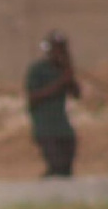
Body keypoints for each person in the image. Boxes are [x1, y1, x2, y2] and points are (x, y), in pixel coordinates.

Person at [25, 30, 81, 177]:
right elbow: (33, 97)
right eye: (57, 48)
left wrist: (69, 74)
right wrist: (60, 82)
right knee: (56, 166)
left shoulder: (63, 69)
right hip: (45, 127)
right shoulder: (38, 69)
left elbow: (76, 94)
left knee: (66, 168)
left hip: (63, 126)